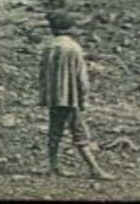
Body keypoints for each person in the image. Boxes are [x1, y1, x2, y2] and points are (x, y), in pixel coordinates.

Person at [37, 10, 114, 181]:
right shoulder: (74, 48)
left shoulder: (48, 47)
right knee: (80, 134)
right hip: (70, 98)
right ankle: (95, 169)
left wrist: (45, 95)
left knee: (54, 131)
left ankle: (53, 165)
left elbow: (43, 74)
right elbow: (82, 79)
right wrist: (83, 98)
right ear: (70, 28)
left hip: (54, 97)